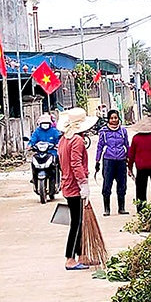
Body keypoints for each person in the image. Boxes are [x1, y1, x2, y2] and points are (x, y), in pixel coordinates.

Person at [58, 108, 97, 271]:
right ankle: (70, 259)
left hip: (67, 184)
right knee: (76, 223)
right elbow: (75, 164)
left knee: (78, 222)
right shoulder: (77, 141)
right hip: (74, 187)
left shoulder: (63, 140)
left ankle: (81, 255)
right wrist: (83, 183)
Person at [95, 110, 129, 217]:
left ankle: (122, 208)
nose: (114, 120)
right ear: (108, 119)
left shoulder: (123, 131)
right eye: (112, 118)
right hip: (108, 161)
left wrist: (129, 159)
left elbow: (127, 145)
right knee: (107, 185)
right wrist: (97, 161)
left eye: (116, 118)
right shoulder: (103, 132)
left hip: (121, 160)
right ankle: (107, 209)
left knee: (122, 185)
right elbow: (99, 147)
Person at [28, 114, 63, 188]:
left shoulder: (54, 131)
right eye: (43, 123)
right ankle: (34, 176)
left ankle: (61, 174)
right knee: (33, 161)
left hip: (51, 151)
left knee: (58, 159)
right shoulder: (37, 131)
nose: (45, 125)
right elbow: (33, 139)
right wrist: (30, 145)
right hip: (40, 152)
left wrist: (58, 144)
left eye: (47, 123)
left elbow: (59, 139)